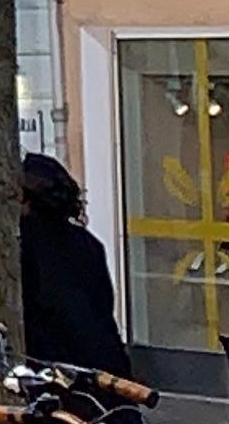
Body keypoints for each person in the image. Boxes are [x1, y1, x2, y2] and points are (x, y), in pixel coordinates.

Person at [22, 153, 141, 379]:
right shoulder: (88, 244)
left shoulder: (24, 244)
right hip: (104, 361)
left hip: (54, 368)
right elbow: (103, 303)